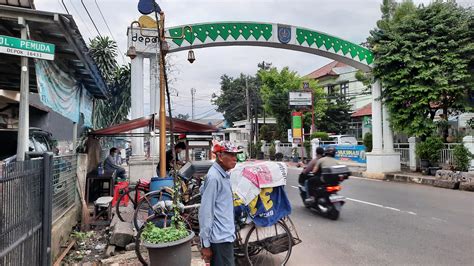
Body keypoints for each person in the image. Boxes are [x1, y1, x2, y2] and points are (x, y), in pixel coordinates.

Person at [199, 141, 242, 266]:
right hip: (220, 239)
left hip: (225, 236)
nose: (235, 158)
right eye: (231, 154)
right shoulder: (214, 178)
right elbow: (206, 212)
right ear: (220, 156)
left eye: (236, 155)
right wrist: (205, 244)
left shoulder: (223, 175)